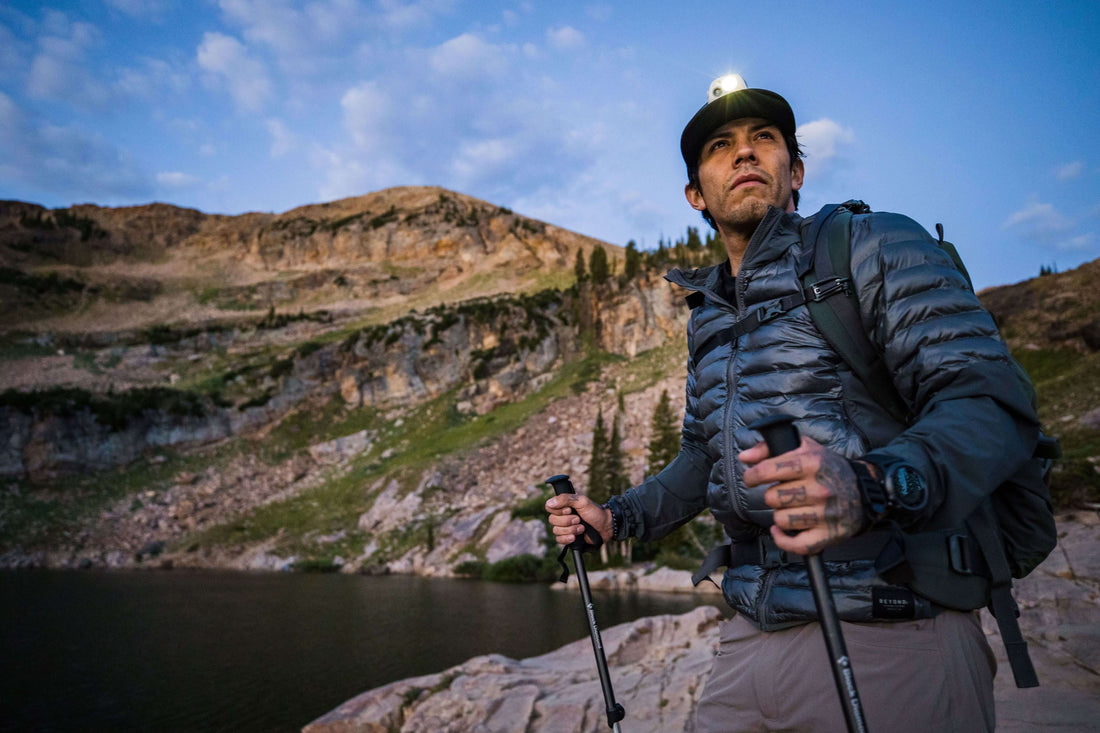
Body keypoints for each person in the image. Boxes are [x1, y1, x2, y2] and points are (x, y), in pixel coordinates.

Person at [545, 74, 1039, 732]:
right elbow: (705, 458)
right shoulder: (710, 316)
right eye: (721, 146)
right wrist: (615, 517)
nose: (745, 154)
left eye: (764, 139)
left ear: (796, 170)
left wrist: (870, 483)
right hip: (752, 635)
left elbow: (988, 400)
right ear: (695, 192)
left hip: (894, 625)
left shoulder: (874, 245)